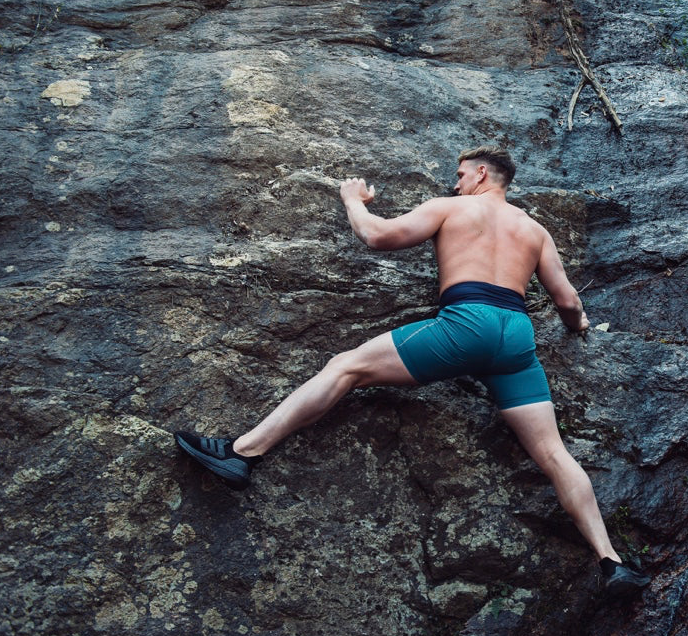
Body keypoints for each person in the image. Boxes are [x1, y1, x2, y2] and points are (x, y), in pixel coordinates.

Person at [175, 146, 650, 598]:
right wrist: (579, 326)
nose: (456, 181)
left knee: (346, 367)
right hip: (516, 335)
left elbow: (379, 236)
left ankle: (242, 452)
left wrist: (352, 201)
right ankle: (610, 561)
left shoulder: (452, 208)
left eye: (462, 174)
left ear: (482, 173)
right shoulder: (534, 229)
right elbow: (568, 302)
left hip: (468, 322)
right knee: (552, 452)